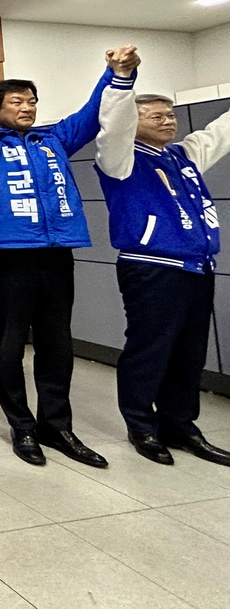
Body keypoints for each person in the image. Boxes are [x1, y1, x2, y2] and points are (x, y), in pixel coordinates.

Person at [0, 46, 139, 467]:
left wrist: (115, 74)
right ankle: (22, 425)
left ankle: (57, 425)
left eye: (32, 101)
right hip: (8, 253)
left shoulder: (53, 139)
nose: (27, 107)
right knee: (10, 344)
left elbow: (91, 114)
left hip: (56, 248)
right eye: (16, 101)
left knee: (56, 341)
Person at [95, 93, 230, 466]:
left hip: (196, 266)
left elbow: (220, 132)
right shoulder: (120, 160)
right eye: (156, 117)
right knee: (150, 349)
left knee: (190, 353)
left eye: (170, 116)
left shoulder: (182, 156)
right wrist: (122, 85)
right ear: (133, 123)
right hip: (151, 267)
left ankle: (181, 425)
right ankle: (142, 426)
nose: (168, 121)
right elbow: (113, 130)